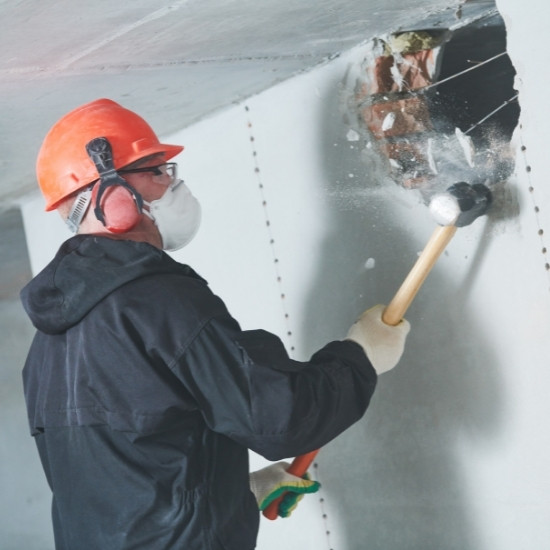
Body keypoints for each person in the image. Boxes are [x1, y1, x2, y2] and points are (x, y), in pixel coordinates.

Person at [20, 98, 410, 550]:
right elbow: (281, 419)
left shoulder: (49, 343)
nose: (173, 185)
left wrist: (232, 493)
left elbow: (122, 474)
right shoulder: (155, 299)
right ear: (111, 195)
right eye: (157, 173)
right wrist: (360, 358)